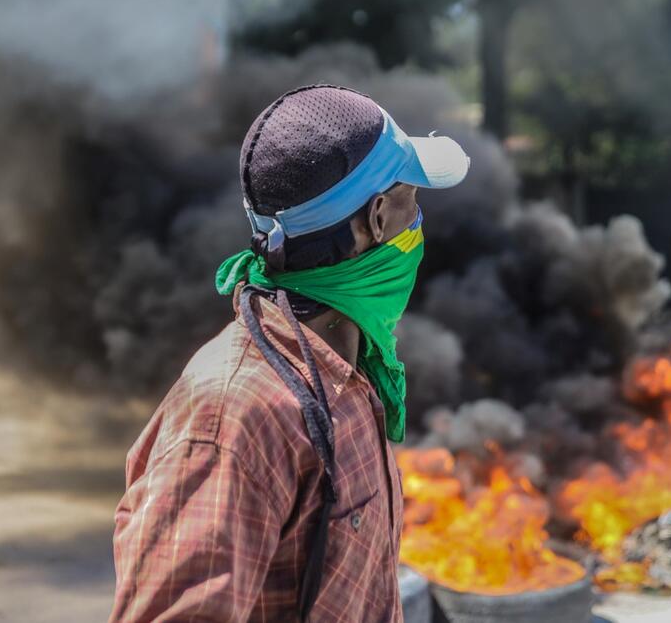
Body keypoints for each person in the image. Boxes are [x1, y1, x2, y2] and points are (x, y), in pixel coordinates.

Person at [109, 85, 470, 622]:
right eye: (410, 199)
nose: (418, 223)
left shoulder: (344, 375)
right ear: (375, 221)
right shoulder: (233, 415)